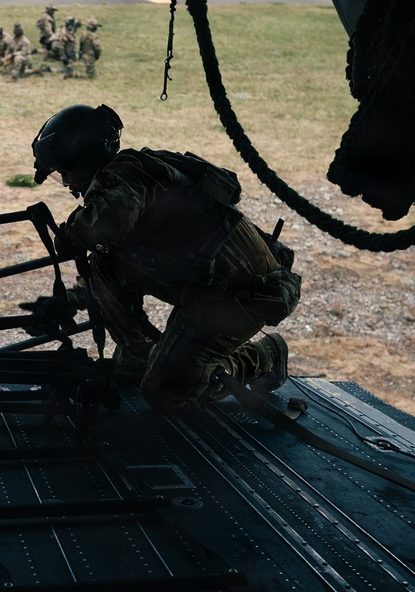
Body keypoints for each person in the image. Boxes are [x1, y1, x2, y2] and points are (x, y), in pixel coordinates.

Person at [29, 104, 300, 409]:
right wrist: (68, 301)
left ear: (83, 159)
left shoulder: (130, 173)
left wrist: (71, 235)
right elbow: (111, 265)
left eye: (66, 173)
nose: (69, 184)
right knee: (104, 264)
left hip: (240, 296)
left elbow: (98, 228)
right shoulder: (129, 179)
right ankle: (138, 356)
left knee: (166, 394)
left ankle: (264, 356)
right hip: (207, 285)